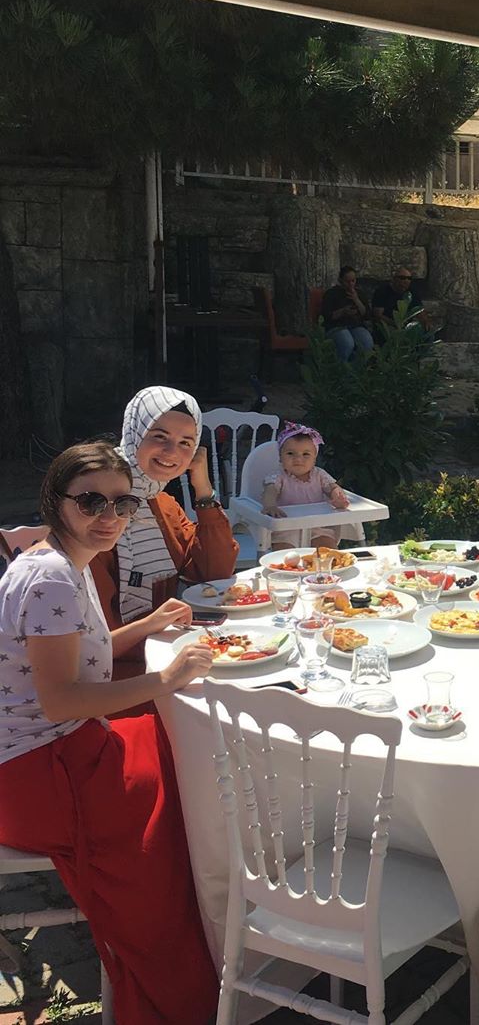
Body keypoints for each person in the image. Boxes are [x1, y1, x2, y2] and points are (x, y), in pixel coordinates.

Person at [0, 442, 220, 1024]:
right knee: (179, 798)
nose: (110, 516)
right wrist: (167, 679)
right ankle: (178, 985)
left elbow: (79, 658)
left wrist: (146, 626)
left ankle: (211, 933)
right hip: (39, 770)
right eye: (91, 501)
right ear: (56, 500)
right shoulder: (51, 579)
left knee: (179, 746)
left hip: (50, 748)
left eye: (122, 504)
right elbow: (61, 701)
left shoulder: (60, 560)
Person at [90, 386, 238, 636]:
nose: (172, 452)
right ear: (135, 433)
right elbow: (95, 635)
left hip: (159, 641)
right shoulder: (97, 509)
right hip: (112, 653)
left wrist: (203, 490)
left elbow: (213, 573)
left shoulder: (162, 504)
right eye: (159, 436)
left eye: (185, 443)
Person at [261, 421, 350, 548]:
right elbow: (270, 490)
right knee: (285, 553)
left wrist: (338, 497)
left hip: (316, 525)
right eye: (290, 453)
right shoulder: (278, 476)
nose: (298, 459)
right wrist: (270, 505)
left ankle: (328, 561)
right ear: (280, 457)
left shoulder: (320, 475)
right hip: (286, 528)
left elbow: (332, 487)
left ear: (314, 459)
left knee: (327, 547)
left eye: (306, 454)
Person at [321, 265, 375, 361]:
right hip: (336, 326)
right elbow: (327, 316)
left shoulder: (359, 293)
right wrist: (343, 311)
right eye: (347, 281)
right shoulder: (331, 294)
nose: (351, 284)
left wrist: (356, 300)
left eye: (353, 281)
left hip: (355, 325)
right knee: (347, 343)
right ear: (340, 280)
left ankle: (356, 367)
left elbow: (366, 314)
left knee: (367, 343)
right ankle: (341, 367)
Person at [371, 267, 434, 332]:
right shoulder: (382, 291)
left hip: (406, 328)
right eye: (402, 278)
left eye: (409, 278)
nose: (406, 280)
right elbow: (378, 316)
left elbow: (419, 311)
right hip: (386, 329)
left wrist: (425, 322)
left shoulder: (411, 292)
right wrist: (396, 325)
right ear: (394, 279)